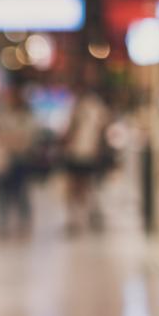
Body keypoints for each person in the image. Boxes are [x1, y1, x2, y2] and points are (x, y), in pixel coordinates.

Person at [64, 59, 111, 234]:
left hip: (87, 151)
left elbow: (102, 127)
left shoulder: (94, 104)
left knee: (86, 186)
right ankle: (77, 218)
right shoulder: (77, 103)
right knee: (75, 186)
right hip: (76, 150)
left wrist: (98, 146)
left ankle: (86, 216)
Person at [0, 84, 37, 238]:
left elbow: (30, 136)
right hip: (4, 157)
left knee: (21, 191)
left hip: (20, 157)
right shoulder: (2, 113)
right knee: (2, 192)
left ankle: (24, 221)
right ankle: (2, 222)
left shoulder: (27, 116)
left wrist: (17, 141)